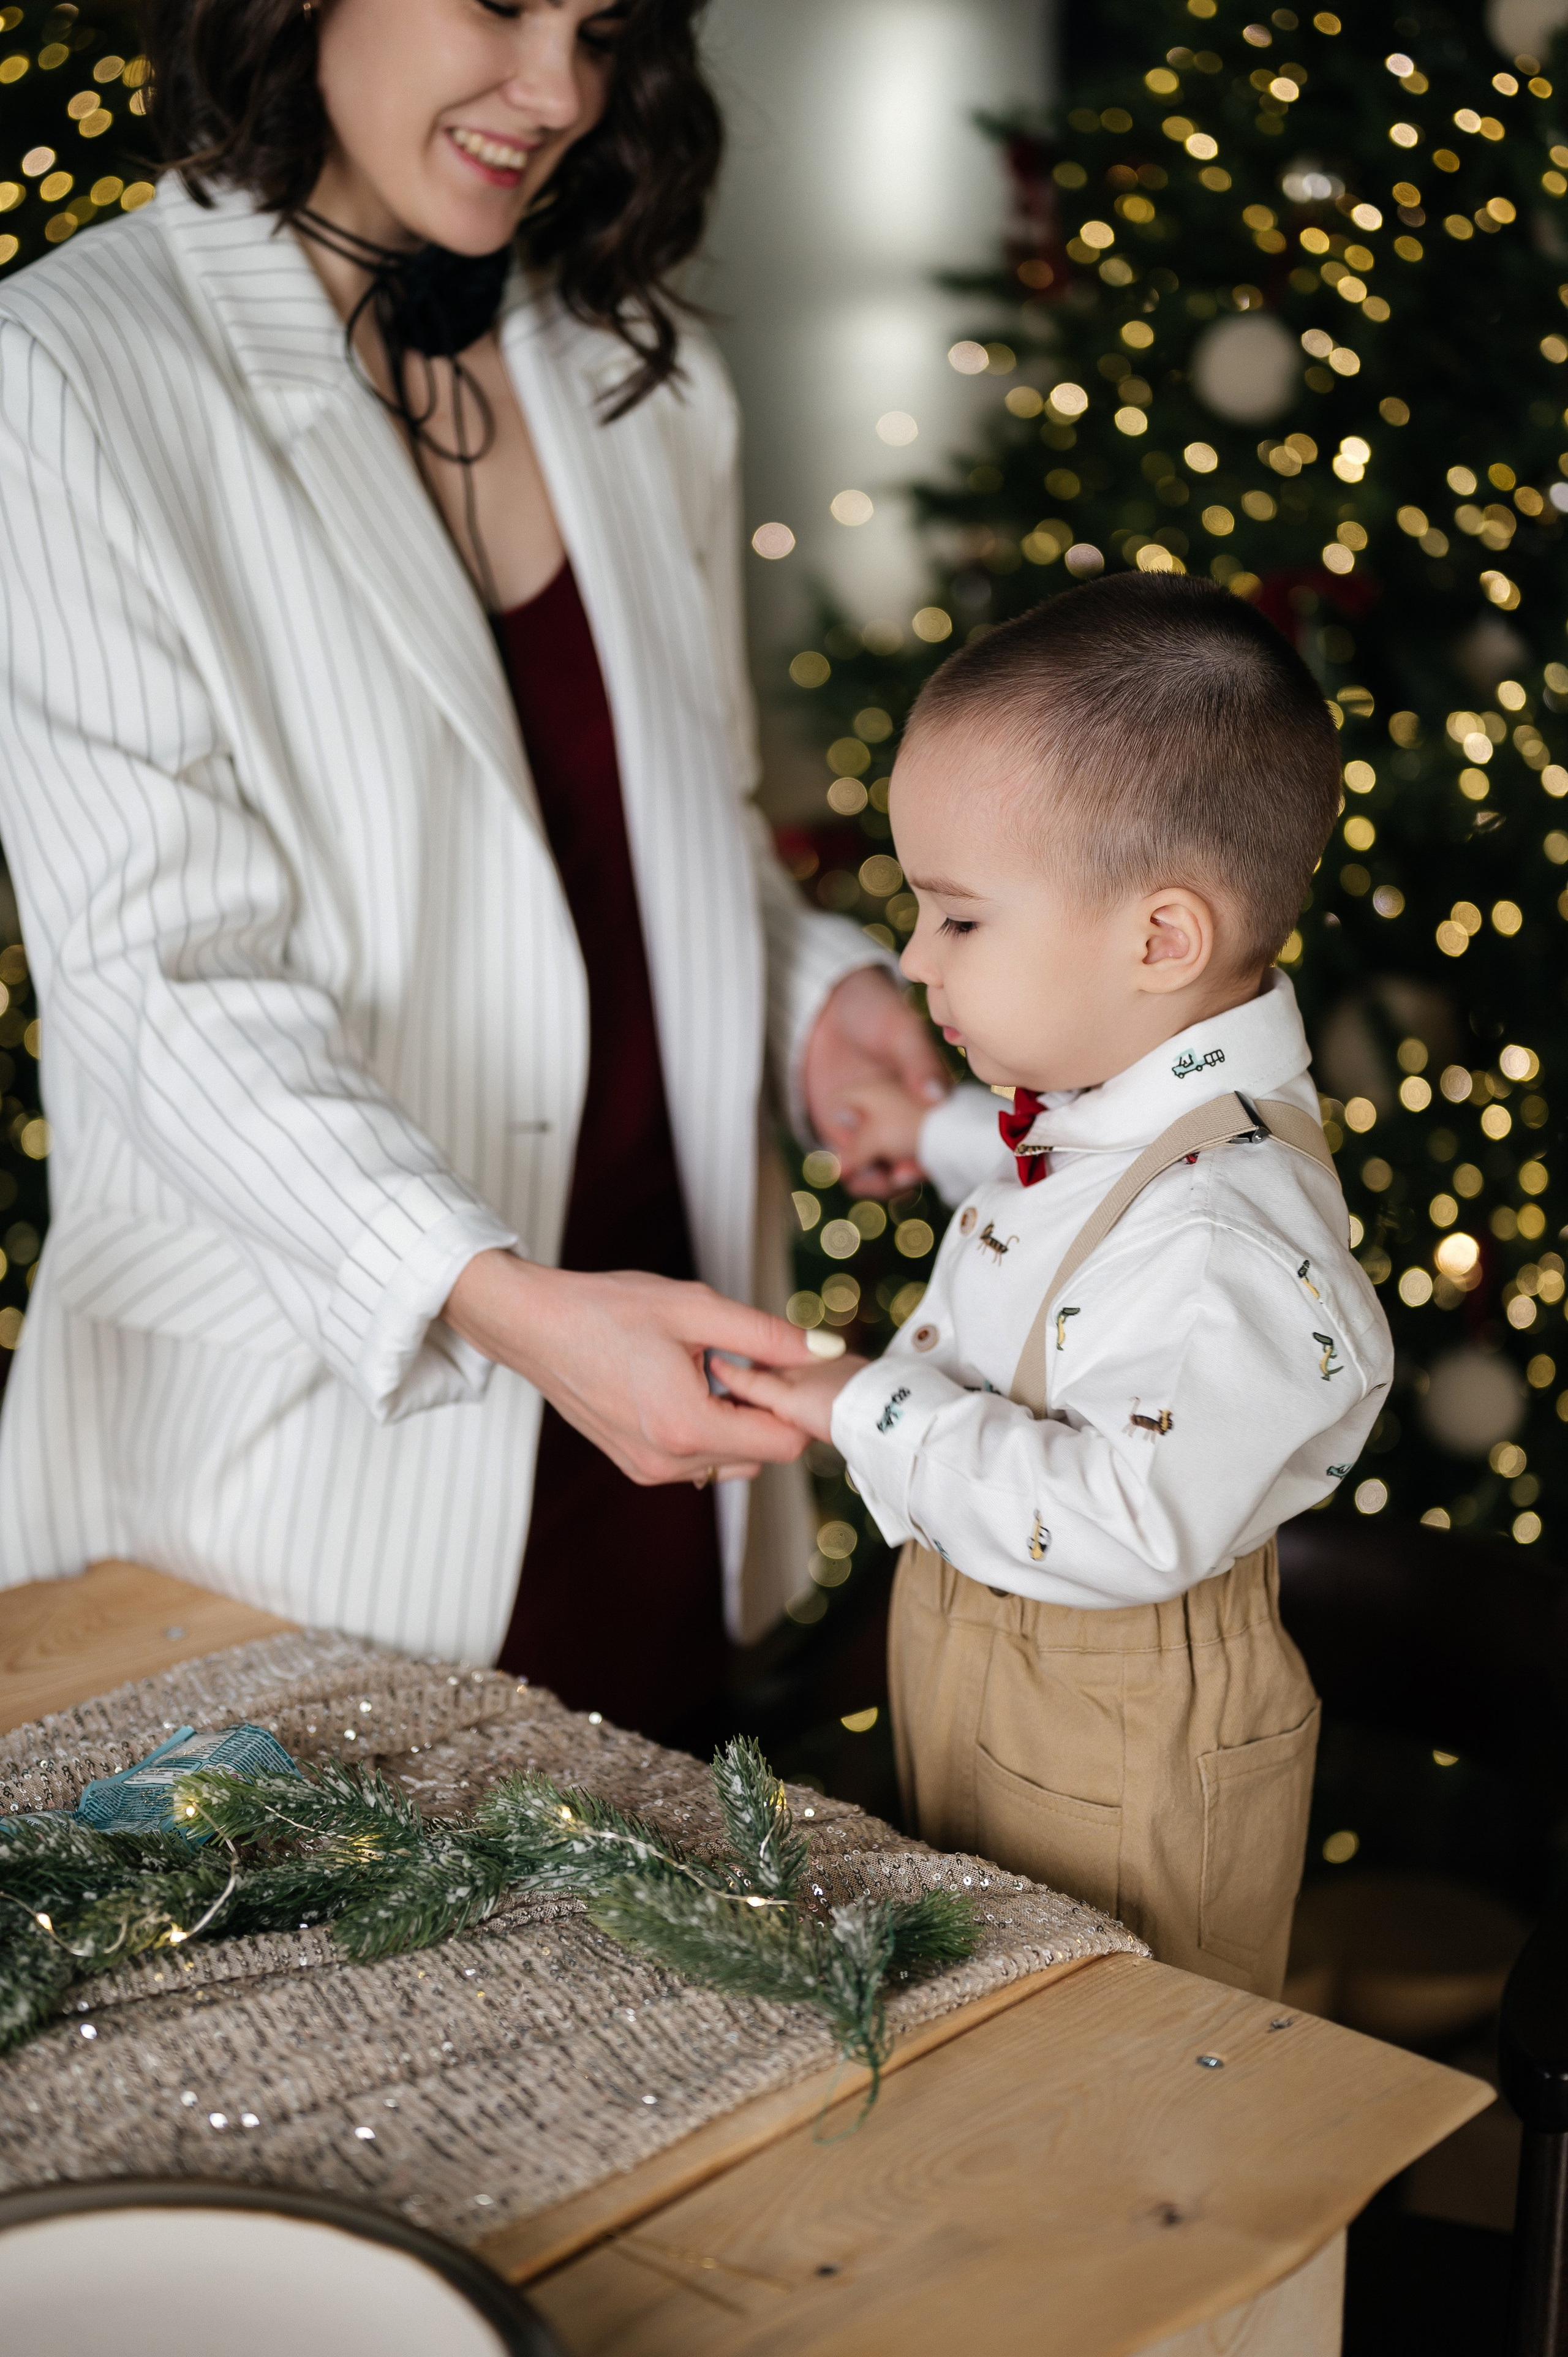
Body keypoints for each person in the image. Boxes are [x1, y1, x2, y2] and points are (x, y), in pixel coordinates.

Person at [0, 0, 948, 1738]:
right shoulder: (65, 372)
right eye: (505, 4)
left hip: (661, 1407)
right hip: (295, 1475)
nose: (561, 92)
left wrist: (817, 1004)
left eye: (603, 28)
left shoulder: (637, 361)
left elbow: (684, 832)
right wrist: (501, 1307)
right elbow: (159, 983)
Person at [725, 576, 1395, 1996]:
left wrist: (868, 1406)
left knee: (1124, 2068)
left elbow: (1126, 1521)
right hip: (978, 1668)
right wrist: (932, 1133)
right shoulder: (1114, 1105)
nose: (911, 961)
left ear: (1158, 940)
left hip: (1119, 1723)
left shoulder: (1223, 1241)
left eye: (956, 920)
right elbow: (1080, 1176)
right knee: (974, 2013)